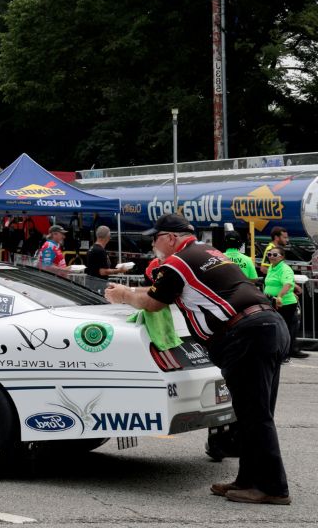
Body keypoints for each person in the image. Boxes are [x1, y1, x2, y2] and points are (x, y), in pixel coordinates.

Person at [104, 213, 291, 505]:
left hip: (247, 334)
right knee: (252, 413)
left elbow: (153, 302)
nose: (153, 244)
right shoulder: (206, 252)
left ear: (169, 238)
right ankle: (249, 480)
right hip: (267, 326)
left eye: (155, 238)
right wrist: (131, 293)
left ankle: (272, 488)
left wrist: (125, 295)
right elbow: (160, 293)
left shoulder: (177, 262)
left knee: (255, 415)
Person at [264, 246, 307, 360]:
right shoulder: (271, 268)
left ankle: (284, 354)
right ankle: (284, 351)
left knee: (283, 329)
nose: (271, 257)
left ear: (282, 257)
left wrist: (280, 297)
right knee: (278, 328)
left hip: (284, 304)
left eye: (275, 255)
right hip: (272, 301)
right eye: (269, 254)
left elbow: (287, 284)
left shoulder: (285, 269)